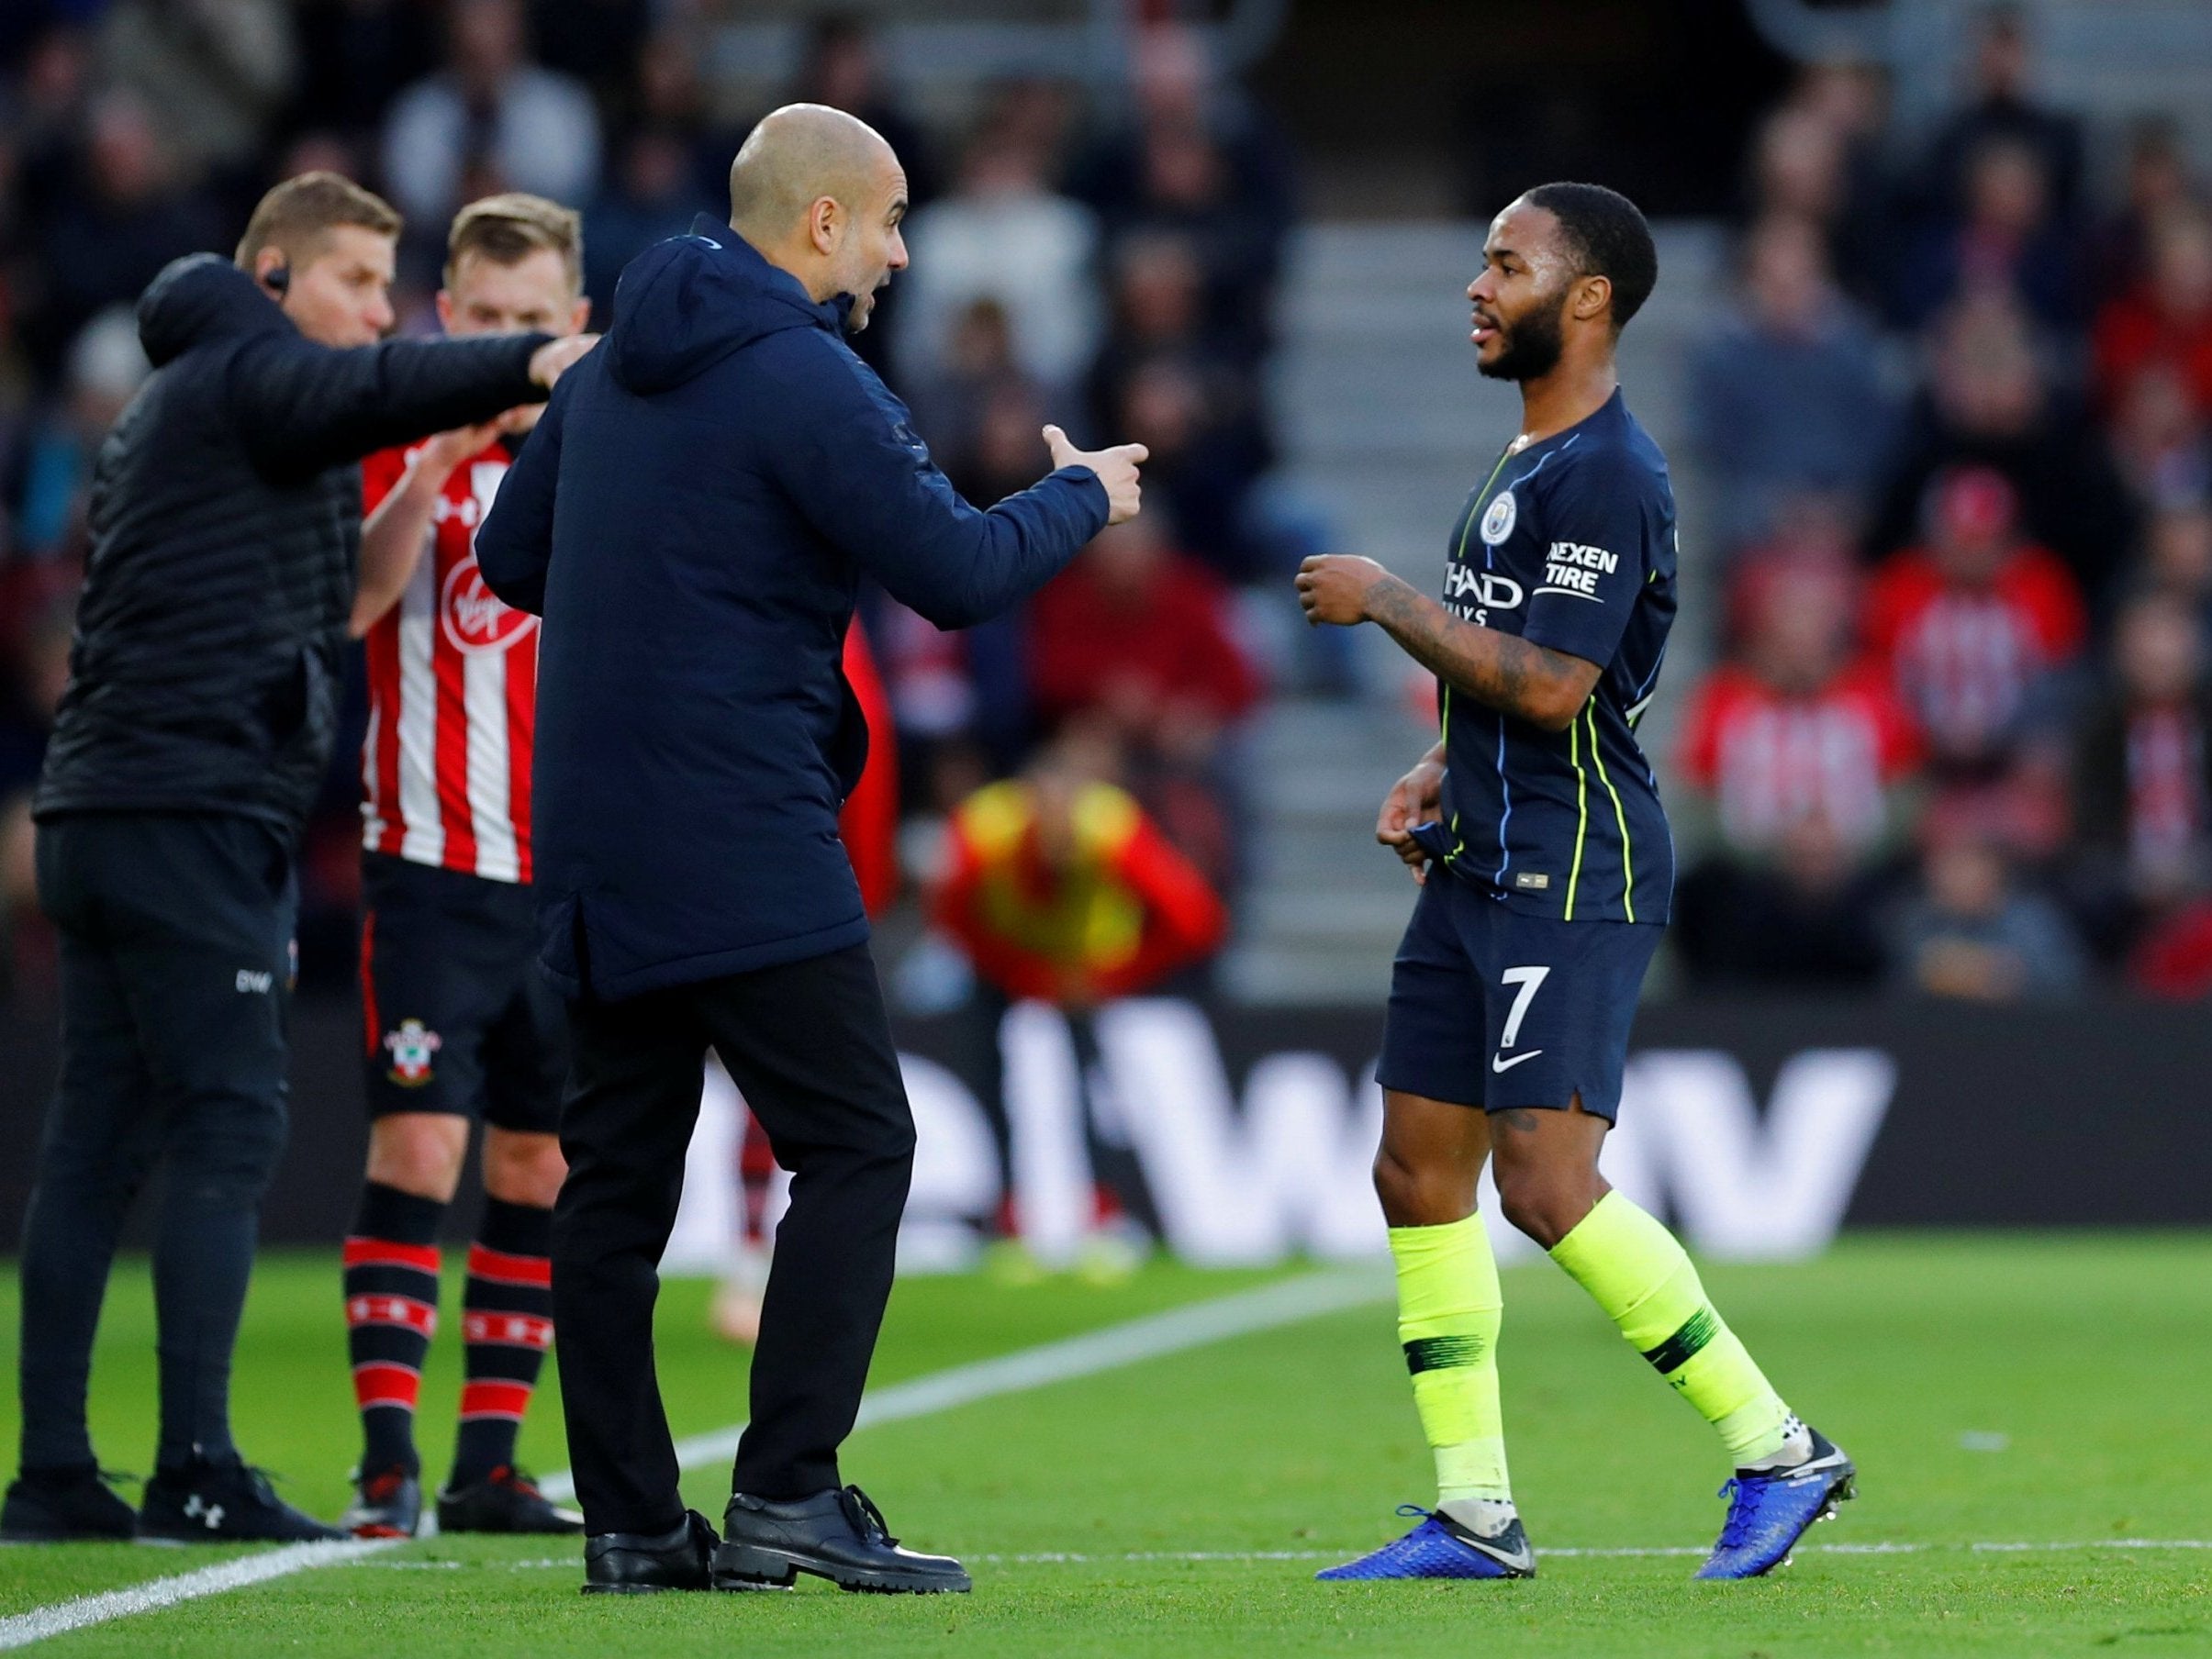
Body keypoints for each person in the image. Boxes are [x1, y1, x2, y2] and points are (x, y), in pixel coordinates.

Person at [474, 104, 1145, 1596]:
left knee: (616, 1181)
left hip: (591, 827)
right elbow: (959, 574)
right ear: (822, 223)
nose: (903, 251)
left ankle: (634, 1524)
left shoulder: (608, 367)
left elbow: (512, 556)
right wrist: (1078, 494)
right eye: (891, 219)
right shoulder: (805, 376)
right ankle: (786, 1490)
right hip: (739, 820)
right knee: (859, 1143)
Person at [0, 172, 594, 1547]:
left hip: (132, 803)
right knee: (234, 1130)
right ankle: (215, 1462)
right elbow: (350, 589)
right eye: (359, 286)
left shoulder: (216, 395)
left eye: (389, 296)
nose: (375, 319)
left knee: (98, 1141)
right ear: (274, 278)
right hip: (241, 819)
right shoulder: (279, 391)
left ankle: (54, 1473)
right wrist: (509, 378)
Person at [1294, 183, 1853, 1583]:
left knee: (1546, 1183)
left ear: (1586, 297)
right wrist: (1436, 768)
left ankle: (1778, 1449)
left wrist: (1383, 600)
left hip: (1573, 861)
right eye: (1479, 260)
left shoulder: (1608, 471)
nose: (1476, 288)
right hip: (1478, 855)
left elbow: (1553, 687)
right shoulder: (1527, 460)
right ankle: (1474, 1511)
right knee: (1417, 1171)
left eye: (1506, 265)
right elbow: (1501, 668)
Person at [336, 194, 592, 1542]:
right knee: (422, 1143)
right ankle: (385, 1462)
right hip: (429, 859)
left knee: (538, 1167)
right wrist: (438, 462)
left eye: (529, 322)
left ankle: (486, 1465)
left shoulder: (606, 453)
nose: (504, 342)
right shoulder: (391, 444)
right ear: (447, 318)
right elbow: (352, 608)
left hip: (563, 874)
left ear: (577, 323)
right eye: (483, 321)